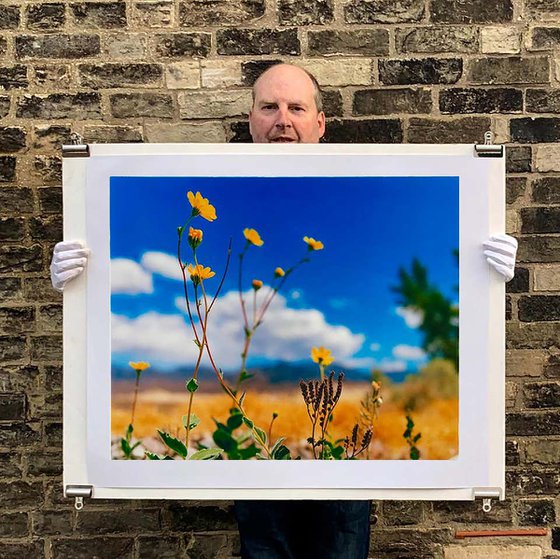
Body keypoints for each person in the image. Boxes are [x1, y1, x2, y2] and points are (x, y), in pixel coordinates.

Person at [51, 63, 518, 558]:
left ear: (320, 123)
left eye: (296, 108)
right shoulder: (213, 184)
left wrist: (484, 277)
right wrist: (82, 284)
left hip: (344, 472)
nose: (282, 120)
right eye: (269, 107)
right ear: (250, 119)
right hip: (257, 466)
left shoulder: (362, 188)